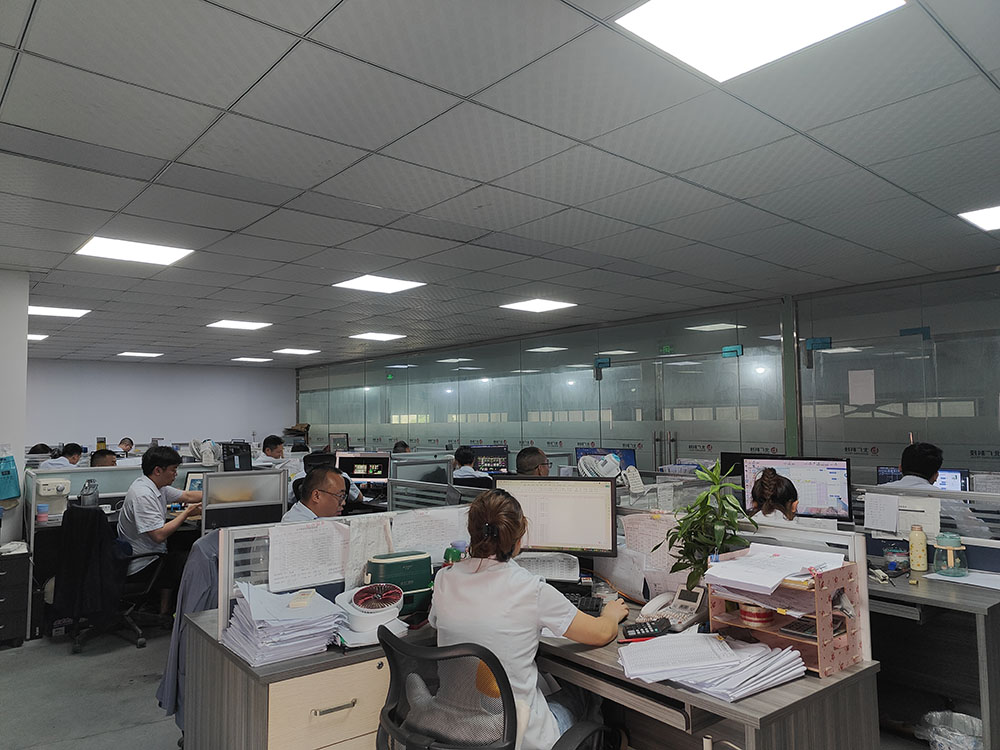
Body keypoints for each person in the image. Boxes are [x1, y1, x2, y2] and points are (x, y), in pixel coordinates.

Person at [429, 489, 627, 748]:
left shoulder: (445, 579)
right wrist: (610, 614)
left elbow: (436, 622)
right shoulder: (531, 589)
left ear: (471, 531)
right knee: (586, 690)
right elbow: (600, 634)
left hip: (459, 728)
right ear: (518, 538)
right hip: (519, 736)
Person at [117, 447, 202, 612]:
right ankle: (180, 612)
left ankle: (164, 610)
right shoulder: (143, 495)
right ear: (158, 470)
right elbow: (158, 535)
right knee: (194, 558)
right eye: (173, 470)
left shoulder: (156, 486)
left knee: (180, 548)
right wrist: (186, 513)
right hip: (142, 564)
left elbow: (188, 496)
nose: (176, 474)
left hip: (151, 555)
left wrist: (217, 492)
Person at [282, 467, 349, 522]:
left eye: (343, 496)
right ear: (316, 496)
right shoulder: (296, 525)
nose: (343, 503)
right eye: (340, 496)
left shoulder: (322, 520)